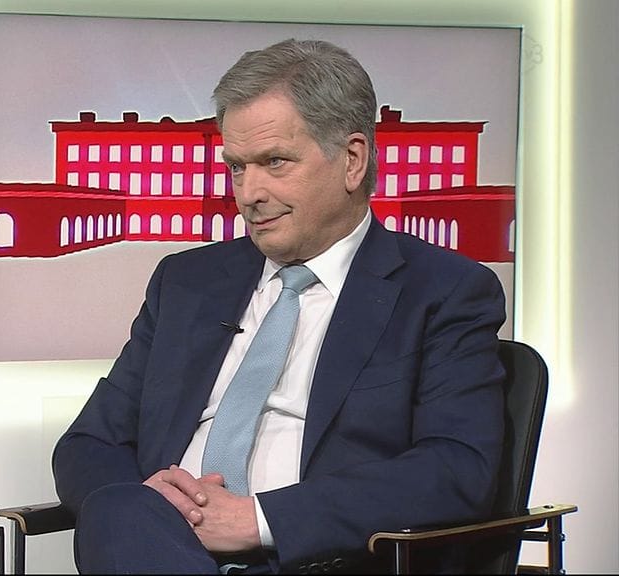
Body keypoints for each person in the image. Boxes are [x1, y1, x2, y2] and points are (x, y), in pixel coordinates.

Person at [52, 38, 506, 574]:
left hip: (318, 558)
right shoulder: (186, 283)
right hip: (162, 549)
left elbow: (456, 469)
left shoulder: (443, 292)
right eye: (237, 167)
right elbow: (88, 443)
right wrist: (154, 505)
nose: (248, 193)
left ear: (352, 161)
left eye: (274, 162)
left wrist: (261, 519)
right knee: (118, 508)